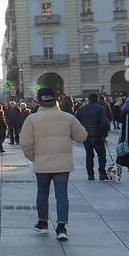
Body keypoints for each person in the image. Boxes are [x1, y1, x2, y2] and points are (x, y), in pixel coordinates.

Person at [20, 85, 87, 240]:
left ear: (38, 101)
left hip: (42, 164)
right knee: (62, 195)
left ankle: (43, 224)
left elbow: (25, 143)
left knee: (42, 193)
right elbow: (82, 137)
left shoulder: (32, 119)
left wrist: (33, 157)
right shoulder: (67, 117)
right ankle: (62, 228)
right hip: (62, 165)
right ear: (56, 99)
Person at [75, 91, 111, 181]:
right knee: (101, 155)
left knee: (89, 155)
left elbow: (76, 122)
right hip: (97, 135)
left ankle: (90, 174)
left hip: (86, 135)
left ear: (88, 99)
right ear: (97, 100)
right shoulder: (100, 108)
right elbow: (104, 122)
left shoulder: (81, 109)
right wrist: (104, 134)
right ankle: (102, 173)